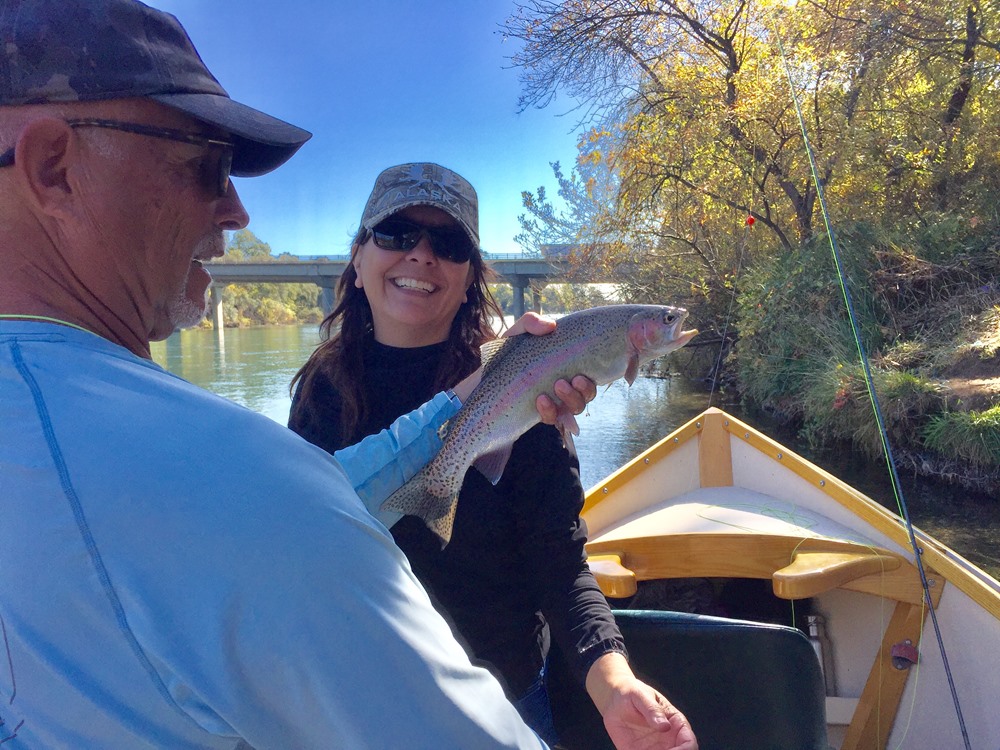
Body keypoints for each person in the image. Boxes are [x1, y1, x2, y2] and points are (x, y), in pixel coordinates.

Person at [0, 2, 609, 748]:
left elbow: (320, 502)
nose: (236, 208)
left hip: (517, 682)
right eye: (207, 165)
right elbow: (296, 515)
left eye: (448, 244)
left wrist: (483, 389)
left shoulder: (204, 477)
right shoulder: (274, 443)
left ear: (470, 272)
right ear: (54, 167)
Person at [288, 162, 698, 750]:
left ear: (469, 275)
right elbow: (300, 543)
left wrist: (614, 685)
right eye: (397, 233)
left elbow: (559, 561)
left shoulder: (532, 387)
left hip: (503, 700)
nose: (422, 255)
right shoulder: (320, 391)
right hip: (360, 699)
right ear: (357, 259)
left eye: (448, 244)